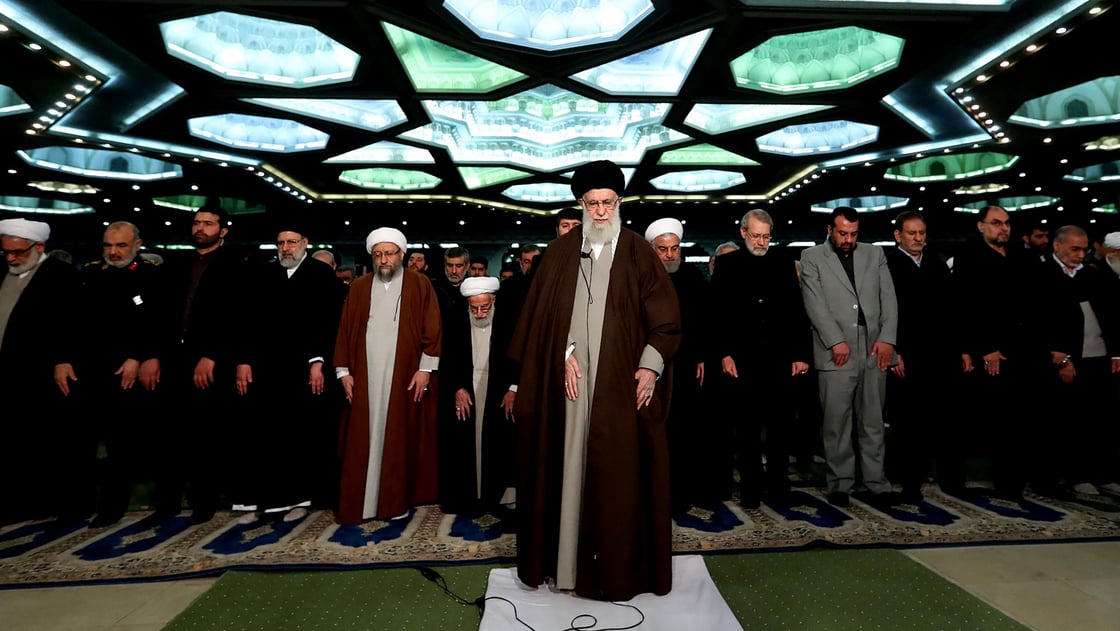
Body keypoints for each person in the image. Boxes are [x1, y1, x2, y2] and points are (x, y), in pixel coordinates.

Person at [509, 159, 681, 601]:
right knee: (566, 468)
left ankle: (615, 570)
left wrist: (650, 365)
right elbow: (541, 321)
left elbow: (665, 321)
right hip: (571, 382)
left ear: (619, 202)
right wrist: (560, 353)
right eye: (593, 203)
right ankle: (565, 566)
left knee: (616, 473)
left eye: (608, 203)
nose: (601, 211)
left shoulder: (640, 251)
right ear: (580, 205)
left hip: (621, 385)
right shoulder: (559, 253)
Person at [233, 218, 346, 524]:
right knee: (266, 437)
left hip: (305, 371)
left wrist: (318, 362)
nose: (285, 248)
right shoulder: (265, 273)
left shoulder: (321, 274)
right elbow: (248, 320)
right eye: (281, 242)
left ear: (305, 243)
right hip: (267, 371)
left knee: (299, 437)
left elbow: (328, 323)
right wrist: (243, 360)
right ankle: (267, 503)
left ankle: (299, 500)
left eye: (292, 242)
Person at [333, 227, 441, 524]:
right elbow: (344, 330)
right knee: (363, 437)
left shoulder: (420, 285)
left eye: (389, 253)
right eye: (378, 254)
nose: (384, 260)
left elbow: (433, 330)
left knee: (397, 436)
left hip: (404, 374)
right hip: (365, 374)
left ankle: (393, 502)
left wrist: (425, 369)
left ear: (402, 255)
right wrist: (344, 372)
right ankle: (364, 504)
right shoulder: (358, 287)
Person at [799, 206, 898, 508]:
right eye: (843, 233)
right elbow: (813, 303)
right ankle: (840, 483)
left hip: (873, 348)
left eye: (853, 233)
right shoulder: (812, 257)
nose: (848, 238)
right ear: (830, 229)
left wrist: (887, 340)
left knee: (872, 420)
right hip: (836, 352)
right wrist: (835, 341)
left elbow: (889, 298)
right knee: (836, 422)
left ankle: (876, 482)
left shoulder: (875, 254)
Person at [710, 209, 810, 509]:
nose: (762, 241)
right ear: (743, 233)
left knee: (780, 428)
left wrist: (801, 354)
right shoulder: (727, 265)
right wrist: (724, 353)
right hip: (742, 361)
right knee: (747, 430)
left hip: (779, 359)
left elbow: (797, 311)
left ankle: (780, 488)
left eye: (766, 236)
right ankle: (752, 489)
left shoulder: (782, 262)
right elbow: (717, 315)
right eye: (756, 235)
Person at [156, 201, 248, 525]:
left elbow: (237, 317)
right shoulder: (175, 264)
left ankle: (203, 504)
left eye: (207, 224)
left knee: (205, 437)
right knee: (169, 436)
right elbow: (161, 314)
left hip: (211, 363)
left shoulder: (236, 265)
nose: (200, 229)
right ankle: (166, 504)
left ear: (222, 231)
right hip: (174, 361)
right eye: (196, 223)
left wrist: (212, 354)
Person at [69, 221, 167, 527]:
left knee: (120, 444)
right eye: (108, 245)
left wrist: (139, 355)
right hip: (87, 371)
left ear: (137, 246)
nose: (113, 252)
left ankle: (113, 507)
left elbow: (157, 322)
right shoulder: (89, 275)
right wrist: (64, 358)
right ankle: (77, 505)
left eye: (121, 245)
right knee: (81, 443)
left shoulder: (151, 276)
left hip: (126, 372)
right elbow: (71, 323)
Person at [950, 205, 1043, 500]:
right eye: (995, 223)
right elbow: (967, 306)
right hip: (985, 353)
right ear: (981, 226)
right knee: (978, 419)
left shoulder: (1022, 255)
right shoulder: (968, 256)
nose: (1003, 228)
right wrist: (986, 347)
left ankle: (1011, 484)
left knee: (1018, 421)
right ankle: (957, 480)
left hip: (1022, 350)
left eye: (1006, 223)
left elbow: (1032, 303)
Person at [0, 218, 88, 526]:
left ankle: (64, 506)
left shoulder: (61, 275)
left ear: (39, 247)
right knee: (14, 444)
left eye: (18, 252)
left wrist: (64, 359)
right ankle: (20, 504)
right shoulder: (3, 274)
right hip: (9, 376)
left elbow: (74, 323)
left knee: (53, 444)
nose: (11, 257)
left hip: (46, 376)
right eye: (6, 252)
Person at [884, 211, 969, 502]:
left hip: (943, 355)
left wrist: (963, 349)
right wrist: (893, 351)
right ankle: (911, 483)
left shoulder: (936, 263)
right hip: (908, 356)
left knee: (949, 420)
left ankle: (952, 479)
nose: (918, 238)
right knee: (910, 425)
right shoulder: (887, 265)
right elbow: (881, 312)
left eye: (922, 233)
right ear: (898, 235)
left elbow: (955, 308)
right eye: (912, 233)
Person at [1030, 225, 1120, 495]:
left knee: (1100, 420)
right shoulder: (1041, 275)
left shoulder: (1094, 277)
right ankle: (1070, 476)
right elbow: (1037, 322)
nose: (1081, 255)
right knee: (1066, 423)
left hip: (1098, 359)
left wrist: (1115, 352)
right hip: (1062, 361)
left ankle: (1101, 473)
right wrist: (1060, 356)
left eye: (1084, 250)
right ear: (1057, 246)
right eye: (1074, 249)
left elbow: (1113, 317)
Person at [644, 217, 717, 513]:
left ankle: (686, 492)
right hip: (652, 367)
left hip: (687, 364)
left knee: (689, 431)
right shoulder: (640, 278)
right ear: (652, 249)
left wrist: (700, 355)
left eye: (675, 249)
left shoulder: (692, 277)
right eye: (664, 249)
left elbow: (705, 321)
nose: (670, 255)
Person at [436, 276, 519, 515]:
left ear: (493, 301)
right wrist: (457, 388)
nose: (480, 312)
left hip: (499, 390)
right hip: (467, 388)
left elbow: (520, 358)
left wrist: (514, 387)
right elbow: (448, 360)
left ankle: (499, 498)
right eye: (475, 308)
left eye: (485, 307)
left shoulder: (508, 321)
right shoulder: (455, 322)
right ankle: (468, 498)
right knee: (465, 444)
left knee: (499, 443)